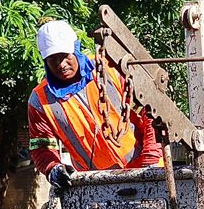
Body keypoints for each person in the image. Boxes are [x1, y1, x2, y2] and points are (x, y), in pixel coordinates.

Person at [26, 19, 162, 193]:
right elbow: (42, 147)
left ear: (75, 48)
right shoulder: (40, 101)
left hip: (144, 167)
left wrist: (150, 160)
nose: (61, 64)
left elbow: (150, 113)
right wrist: (52, 167)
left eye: (65, 56)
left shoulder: (110, 69)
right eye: (53, 59)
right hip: (96, 184)